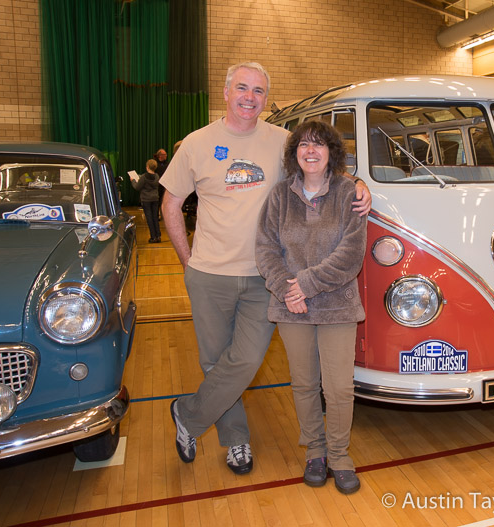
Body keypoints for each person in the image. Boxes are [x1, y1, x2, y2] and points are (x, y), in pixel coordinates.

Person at [159, 62, 371, 475]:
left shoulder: (282, 140)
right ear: (225, 92)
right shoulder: (197, 144)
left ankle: (188, 414)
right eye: (242, 88)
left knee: (246, 360)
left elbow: (321, 161)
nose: (250, 97)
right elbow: (170, 204)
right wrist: (188, 262)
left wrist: (359, 184)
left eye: (258, 90)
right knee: (215, 362)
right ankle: (236, 440)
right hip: (210, 274)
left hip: (266, 278)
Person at [256, 121, 366, 494]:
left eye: (319, 145)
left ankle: (339, 455)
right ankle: (315, 452)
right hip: (291, 309)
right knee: (305, 384)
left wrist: (302, 285)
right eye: (303, 145)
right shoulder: (278, 196)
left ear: (332, 152)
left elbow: (350, 256)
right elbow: (266, 249)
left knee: (338, 388)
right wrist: (287, 290)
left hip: (337, 306)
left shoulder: (350, 192)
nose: (311, 151)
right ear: (294, 154)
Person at [132, 158, 161, 243]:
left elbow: (137, 187)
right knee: (155, 217)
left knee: (149, 218)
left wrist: (133, 181)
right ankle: (158, 236)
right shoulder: (157, 176)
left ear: (147, 166)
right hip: (155, 198)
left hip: (146, 200)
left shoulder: (144, 177)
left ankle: (153, 237)